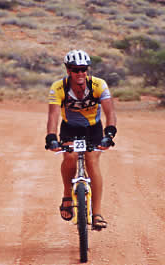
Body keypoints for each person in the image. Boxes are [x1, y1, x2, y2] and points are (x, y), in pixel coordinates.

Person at [45, 49, 117, 230]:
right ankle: (67, 196)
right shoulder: (58, 87)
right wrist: (51, 137)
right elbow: (53, 116)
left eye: (83, 69)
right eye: (75, 69)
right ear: (68, 70)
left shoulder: (99, 85)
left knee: (92, 162)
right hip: (70, 129)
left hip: (93, 129)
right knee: (69, 157)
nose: (80, 73)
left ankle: (97, 213)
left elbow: (110, 113)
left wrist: (109, 134)